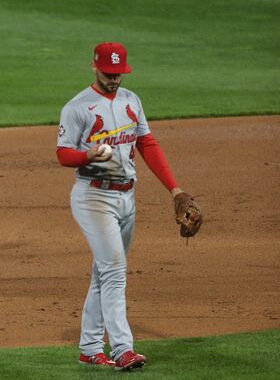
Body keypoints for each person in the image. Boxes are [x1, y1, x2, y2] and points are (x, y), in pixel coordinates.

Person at [56, 42, 195, 371]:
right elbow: (63, 154)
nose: (115, 79)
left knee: (103, 274)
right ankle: (123, 349)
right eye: (109, 73)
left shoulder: (132, 101)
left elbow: (147, 143)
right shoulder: (78, 107)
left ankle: (90, 347)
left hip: (126, 198)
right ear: (94, 67)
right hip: (93, 198)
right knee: (115, 272)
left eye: (119, 74)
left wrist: (175, 189)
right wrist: (87, 154)